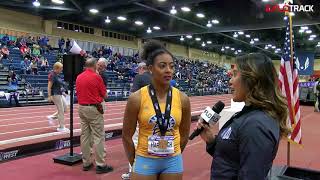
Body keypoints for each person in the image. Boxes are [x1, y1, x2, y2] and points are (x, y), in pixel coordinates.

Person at [196, 53, 289, 180]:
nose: (230, 81)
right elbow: (231, 159)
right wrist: (211, 140)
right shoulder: (249, 115)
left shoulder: (256, 125)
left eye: (234, 74)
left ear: (252, 79)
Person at [122, 41, 191, 180]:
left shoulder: (183, 99)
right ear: (150, 68)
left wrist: (176, 154)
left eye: (171, 66)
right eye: (162, 66)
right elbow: (126, 136)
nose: (168, 70)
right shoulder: (136, 98)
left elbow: (184, 135)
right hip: (145, 158)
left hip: (172, 160)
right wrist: (135, 161)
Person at [76, 58, 113, 174]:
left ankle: (86, 162)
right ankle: (100, 165)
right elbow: (105, 95)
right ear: (94, 66)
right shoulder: (97, 77)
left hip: (81, 108)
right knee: (98, 136)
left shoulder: (79, 77)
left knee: (85, 136)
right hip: (93, 108)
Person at [121, 61, 152, 179]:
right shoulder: (156, 77)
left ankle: (133, 171)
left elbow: (133, 97)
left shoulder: (139, 77)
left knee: (134, 142)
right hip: (155, 116)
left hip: (142, 115)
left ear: (141, 69)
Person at [47, 62, 69, 132]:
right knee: (61, 110)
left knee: (65, 108)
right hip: (55, 94)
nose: (62, 70)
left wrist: (62, 92)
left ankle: (52, 117)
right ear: (56, 68)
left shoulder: (57, 75)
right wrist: (49, 96)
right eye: (61, 68)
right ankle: (61, 127)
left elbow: (58, 85)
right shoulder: (52, 75)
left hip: (59, 93)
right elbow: (49, 86)